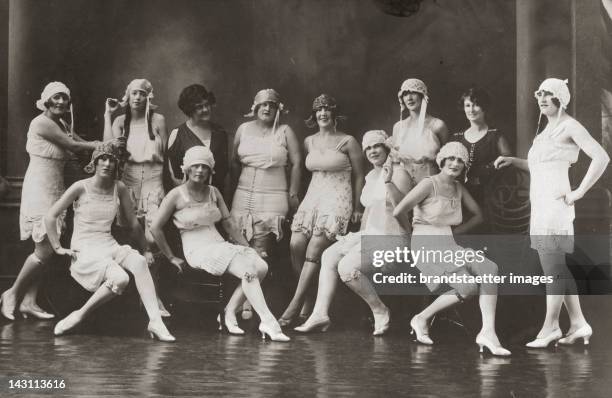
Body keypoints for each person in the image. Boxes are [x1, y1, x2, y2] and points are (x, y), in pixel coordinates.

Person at [494, 78, 609, 348]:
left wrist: (578, 191)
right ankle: (579, 323)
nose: (542, 99)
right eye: (540, 95)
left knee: (552, 267)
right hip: (541, 205)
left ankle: (551, 327)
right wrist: (514, 161)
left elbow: (601, 157)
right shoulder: (546, 130)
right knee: (557, 266)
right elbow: (541, 167)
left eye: (548, 95)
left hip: (556, 206)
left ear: (561, 98)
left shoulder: (570, 125)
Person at [1, 82, 116, 321]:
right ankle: (12, 293)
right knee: (43, 249)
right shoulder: (40, 123)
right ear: (46, 100)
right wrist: (98, 146)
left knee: (49, 249)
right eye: (56, 98)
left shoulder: (61, 123)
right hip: (39, 189)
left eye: (65, 98)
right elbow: (74, 145)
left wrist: (103, 139)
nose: (61, 102)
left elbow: (81, 141)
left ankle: (29, 301)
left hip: (55, 188)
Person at [150, 146, 289, 341]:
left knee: (261, 266)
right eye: (196, 166)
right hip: (197, 249)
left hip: (219, 244)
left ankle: (229, 312)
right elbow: (155, 227)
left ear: (210, 170)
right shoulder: (176, 195)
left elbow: (229, 223)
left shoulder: (213, 192)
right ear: (187, 169)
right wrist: (171, 257)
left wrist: (248, 248)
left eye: (204, 167)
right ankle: (268, 322)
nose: (200, 170)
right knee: (248, 270)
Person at [48, 142, 175, 341]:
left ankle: (155, 321)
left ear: (117, 165)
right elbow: (50, 216)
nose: (107, 164)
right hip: (85, 248)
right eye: (102, 159)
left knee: (140, 262)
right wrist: (57, 247)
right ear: (95, 163)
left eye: (111, 160)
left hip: (108, 244)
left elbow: (133, 223)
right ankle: (78, 316)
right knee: (121, 278)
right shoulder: (80, 187)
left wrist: (146, 249)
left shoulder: (120, 187)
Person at [394, 142, 511, 356]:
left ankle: (488, 332)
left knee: (490, 268)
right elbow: (399, 211)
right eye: (451, 158)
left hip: (448, 242)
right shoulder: (428, 184)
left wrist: (457, 233)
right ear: (442, 160)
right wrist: (411, 237)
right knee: (468, 288)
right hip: (425, 244)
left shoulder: (459, 188)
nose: (455, 163)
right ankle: (421, 318)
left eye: (460, 160)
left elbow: (479, 215)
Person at [295, 130, 412, 335]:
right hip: (371, 234)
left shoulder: (400, 173)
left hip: (393, 237)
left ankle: (380, 310)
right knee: (329, 255)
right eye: (368, 148)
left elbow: (402, 209)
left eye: (377, 146)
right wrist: (358, 238)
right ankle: (320, 314)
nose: (372, 151)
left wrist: (388, 181)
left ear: (386, 148)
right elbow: (369, 211)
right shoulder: (370, 175)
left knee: (347, 267)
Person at [279, 94, 365, 326]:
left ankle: (294, 306)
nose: (323, 114)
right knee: (296, 244)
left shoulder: (348, 141)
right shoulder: (309, 141)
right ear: (314, 115)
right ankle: (307, 297)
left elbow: (359, 176)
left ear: (334, 114)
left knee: (315, 249)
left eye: (327, 110)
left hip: (338, 198)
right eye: (319, 110)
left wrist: (357, 207)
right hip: (313, 197)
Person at [230, 89, 302, 320]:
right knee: (242, 248)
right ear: (255, 107)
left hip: (273, 196)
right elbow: (234, 162)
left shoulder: (284, 131)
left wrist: (292, 193)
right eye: (263, 104)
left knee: (261, 251)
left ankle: (248, 302)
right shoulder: (243, 129)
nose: (267, 108)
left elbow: (298, 163)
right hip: (243, 195)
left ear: (278, 108)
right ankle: (245, 299)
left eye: (272, 104)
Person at [103, 78, 169, 316]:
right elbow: (108, 147)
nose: (138, 98)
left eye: (142, 93)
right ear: (127, 97)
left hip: (154, 182)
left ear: (148, 96)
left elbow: (167, 155)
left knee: (152, 240)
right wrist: (108, 117)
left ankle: (156, 298)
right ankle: (136, 299)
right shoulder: (121, 121)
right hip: (129, 183)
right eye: (134, 94)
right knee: (131, 238)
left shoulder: (158, 120)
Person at [451, 87, 511, 207]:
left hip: (491, 197)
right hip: (460, 196)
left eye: (476, 105)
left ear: (484, 107)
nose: (471, 110)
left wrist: (486, 172)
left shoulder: (496, 136)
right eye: (467, 105)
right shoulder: (457, 137)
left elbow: (507, 160)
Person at [166, 84, 229, 194]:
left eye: (207, 105)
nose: (205, 109)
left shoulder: (220, 133)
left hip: (215, 196)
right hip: (187, 198)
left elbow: (224, 169)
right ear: (190, 110)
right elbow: (171, 173)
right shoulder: (178, 134)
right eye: (199, 107)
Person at [389, 78, 449, 183]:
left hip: (430, 183)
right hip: (403, 183)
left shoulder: (438, 125)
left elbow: (447, 161)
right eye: (406, 94)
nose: (409, 98)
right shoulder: (398, 127)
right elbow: (395, 162)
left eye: (414, 93)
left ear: (423, 96)